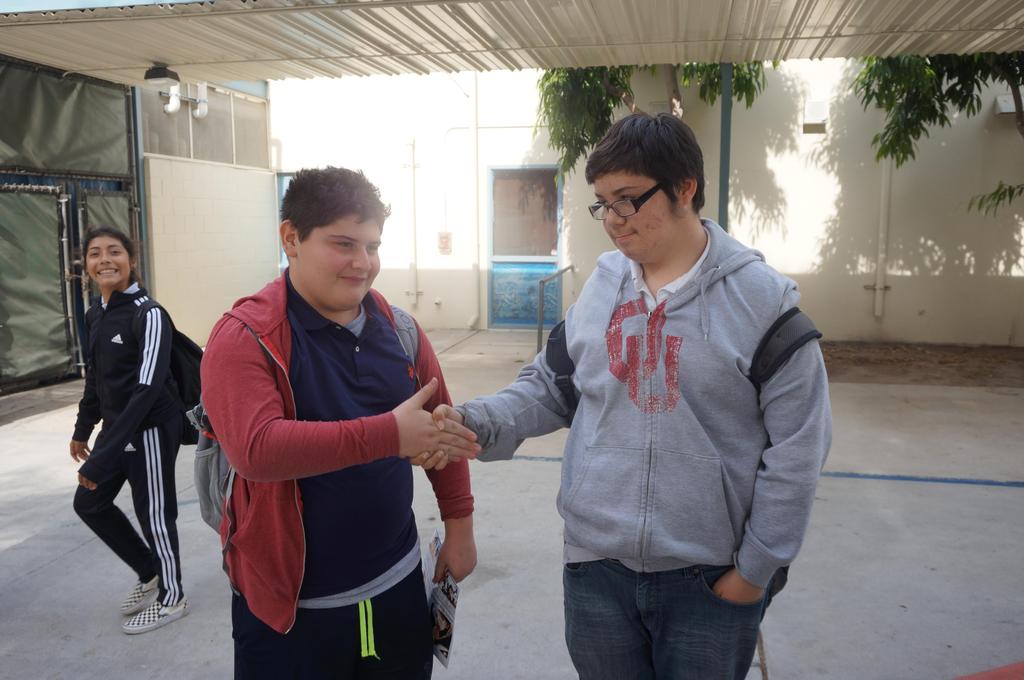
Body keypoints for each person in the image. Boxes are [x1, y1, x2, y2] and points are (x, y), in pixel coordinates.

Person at [435, 113, 833, 680]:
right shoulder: (601, 288)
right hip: (595, 572)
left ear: (684, 188)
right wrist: (472, 421)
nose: (612, 221)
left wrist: (754, 573)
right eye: (602, 203)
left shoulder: (762, 303)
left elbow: (799, 448)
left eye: (627, 200)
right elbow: (550, 386)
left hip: (711, 581)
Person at [200, 166, 479, 679]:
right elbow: (257, 450)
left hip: (396, 588)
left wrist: (459, 527)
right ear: (291, 238)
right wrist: (390, 435)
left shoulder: (399, 331)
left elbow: (445, 430)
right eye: (344, 244)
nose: (363, 263)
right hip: (291, 613)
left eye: (372, 246)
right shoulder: (246, 337)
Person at [70, 226, 188, 635]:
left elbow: (147, 389)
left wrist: (103, 456)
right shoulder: (95, 314)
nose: (104, 259)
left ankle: (172, 598)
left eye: (114, 251)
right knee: (89, 504)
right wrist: (83, 428)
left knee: (154, 514)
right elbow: (96, 378)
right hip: (117, 428)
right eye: (95, 253)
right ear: (86, 265)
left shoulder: (148, 314)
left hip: (151, 427)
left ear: (131, 260)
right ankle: (149, 570)